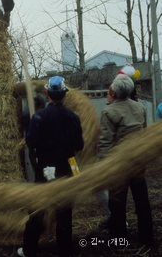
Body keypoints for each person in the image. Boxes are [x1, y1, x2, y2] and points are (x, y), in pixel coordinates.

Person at [18, 76, 84, 257]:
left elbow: (30, 142)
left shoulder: (39, 116)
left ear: (47, 93)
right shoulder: (73, 117)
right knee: (64, 209)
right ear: (64, 94)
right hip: (66, 168)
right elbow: (79, 145)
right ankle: (64, 249)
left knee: (38, 207)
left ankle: (29, 249)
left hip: (45, 168)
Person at [97, 74, 153, 244]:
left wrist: (103, 166)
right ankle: (146, 236)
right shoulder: (140, 108)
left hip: (118, 165)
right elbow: (143, 136)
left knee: (117, 203)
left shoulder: (109, 111)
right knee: (142, 200)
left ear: (114, 91)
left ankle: (119, 238)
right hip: (137, 162)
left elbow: (105, 143)